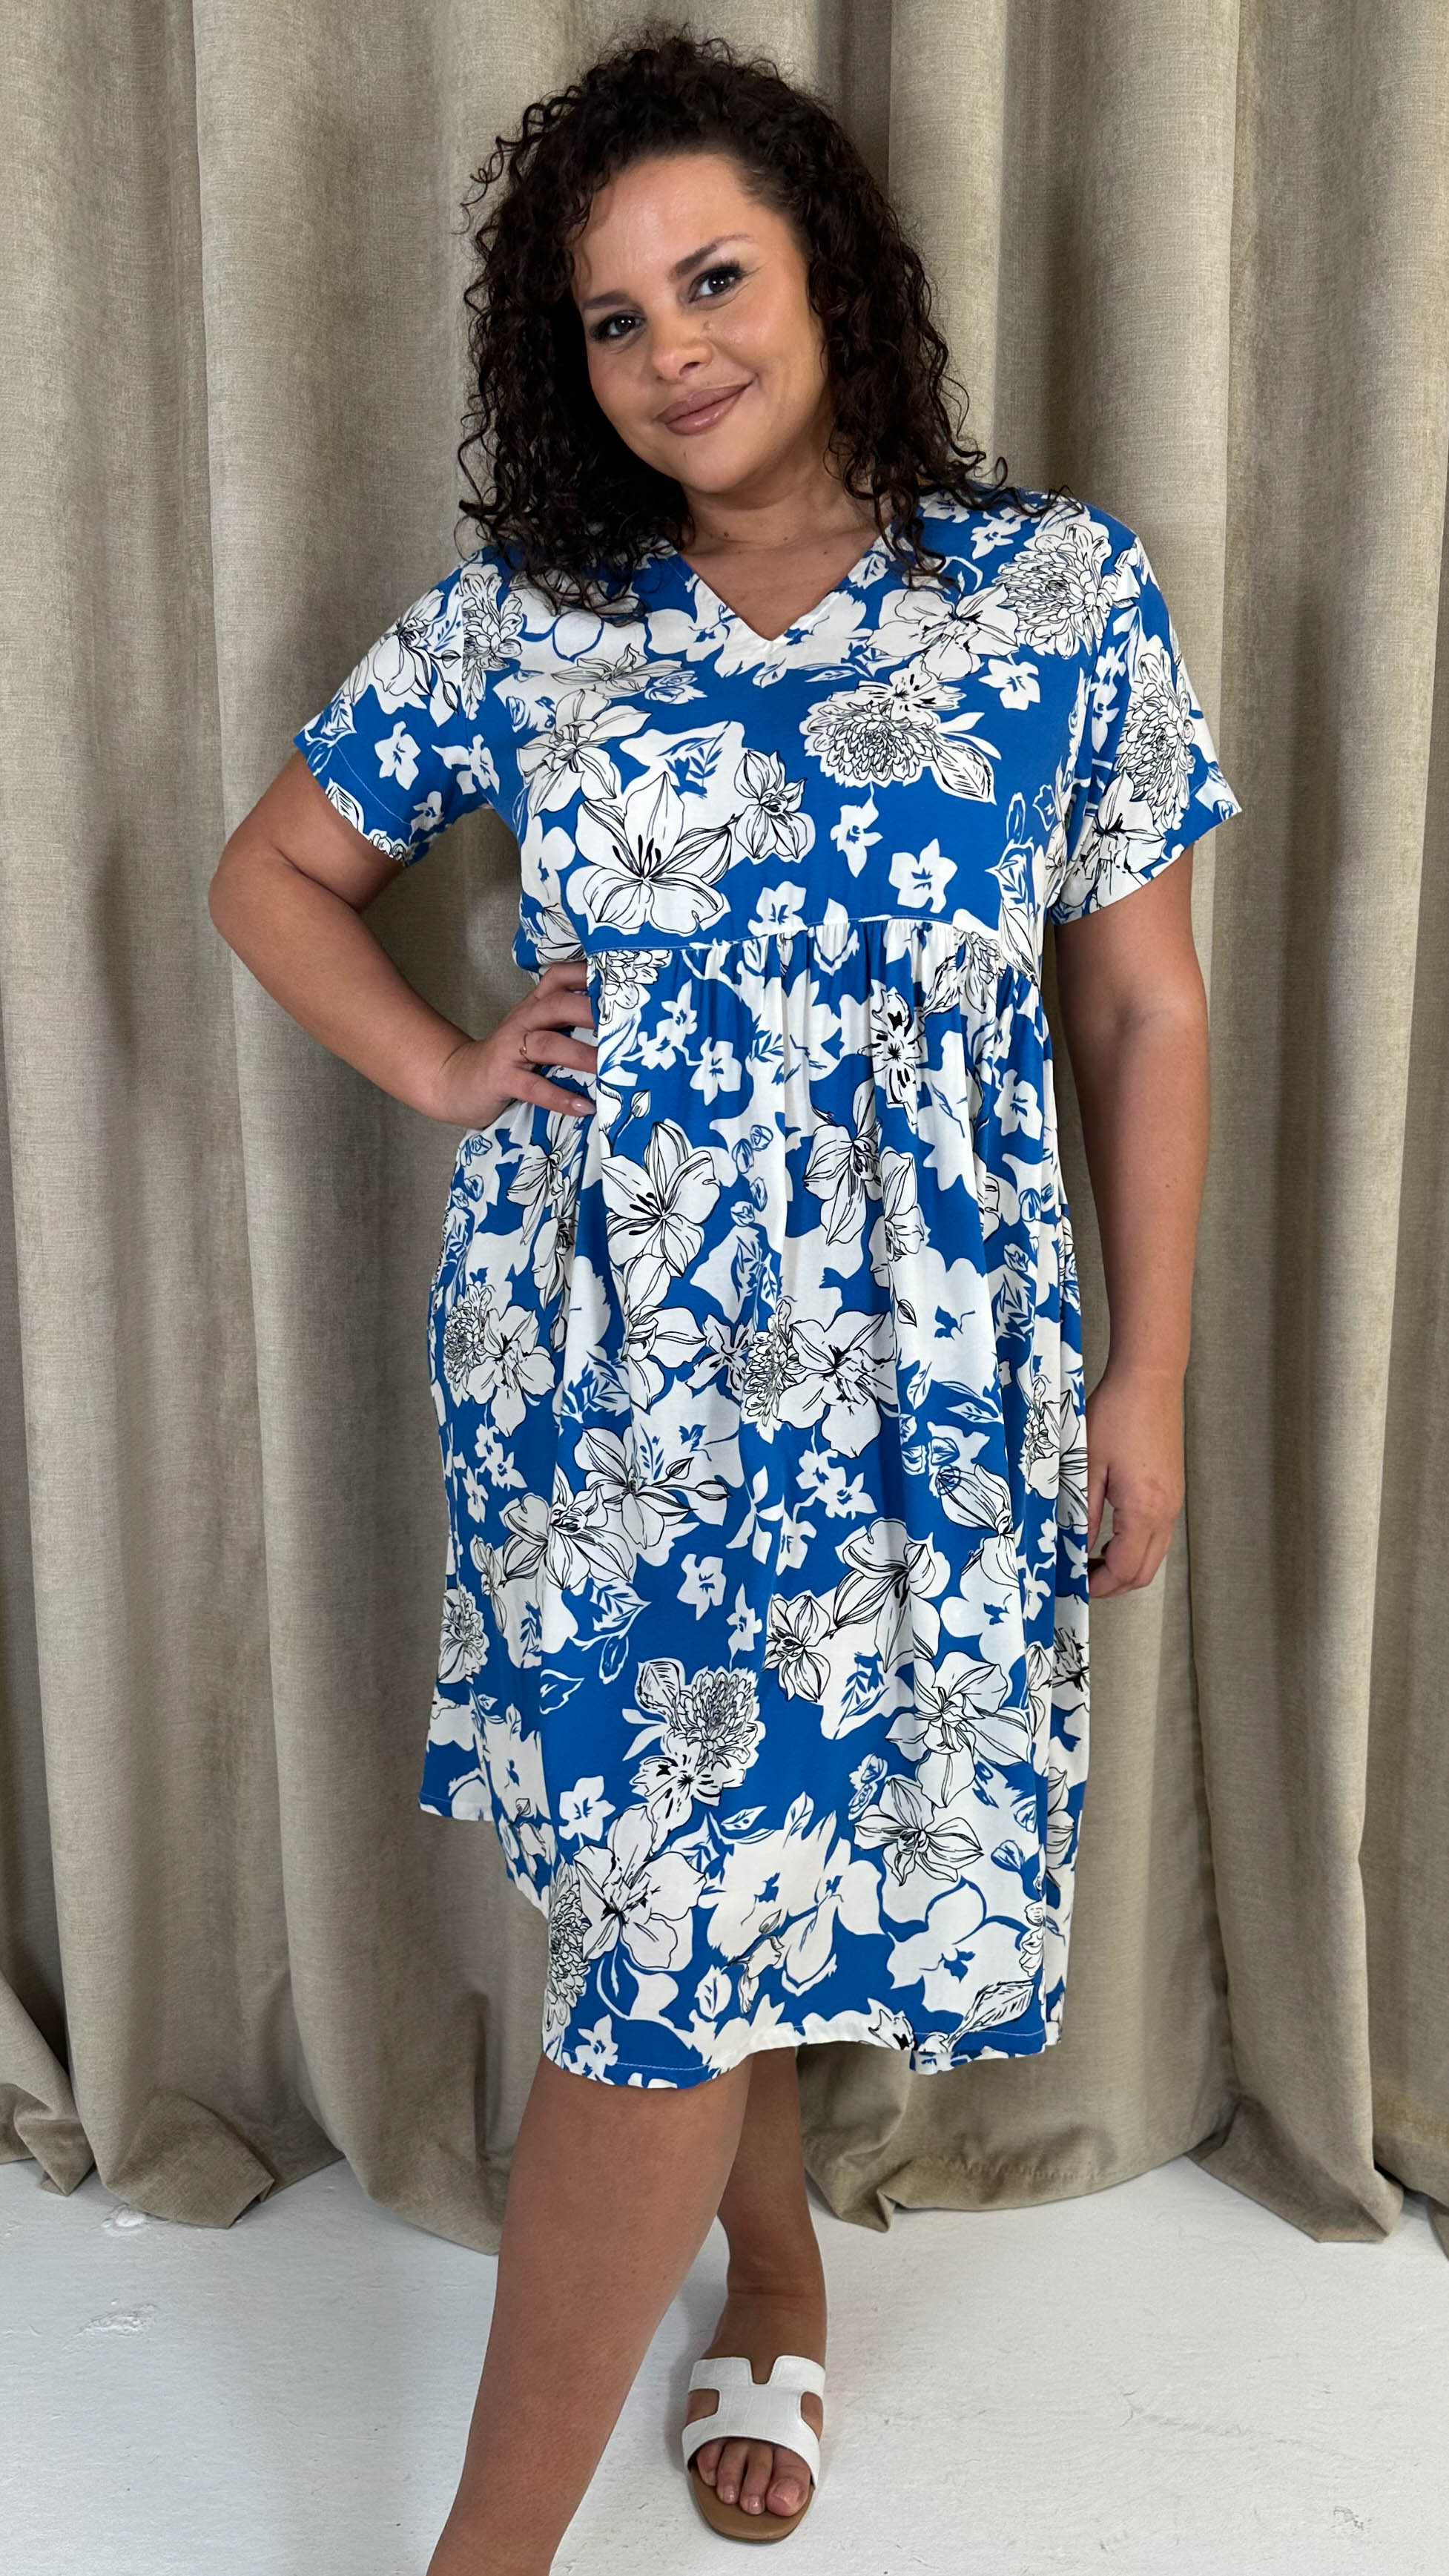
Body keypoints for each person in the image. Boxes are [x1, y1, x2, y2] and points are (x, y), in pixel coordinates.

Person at [208, 22, 1241, 2569]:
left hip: (926, 1372)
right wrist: (449, 1065)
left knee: (730, 1898)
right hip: (610, 1386)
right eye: (610, 316)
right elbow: (269, 876)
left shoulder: (1055, 594)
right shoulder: (526, 624)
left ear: (826, 277)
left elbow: (1139, 1006)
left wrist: (1145, 1372)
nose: (670, 347)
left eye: (713, 279)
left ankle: (771, 2270)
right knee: (666, 1928)